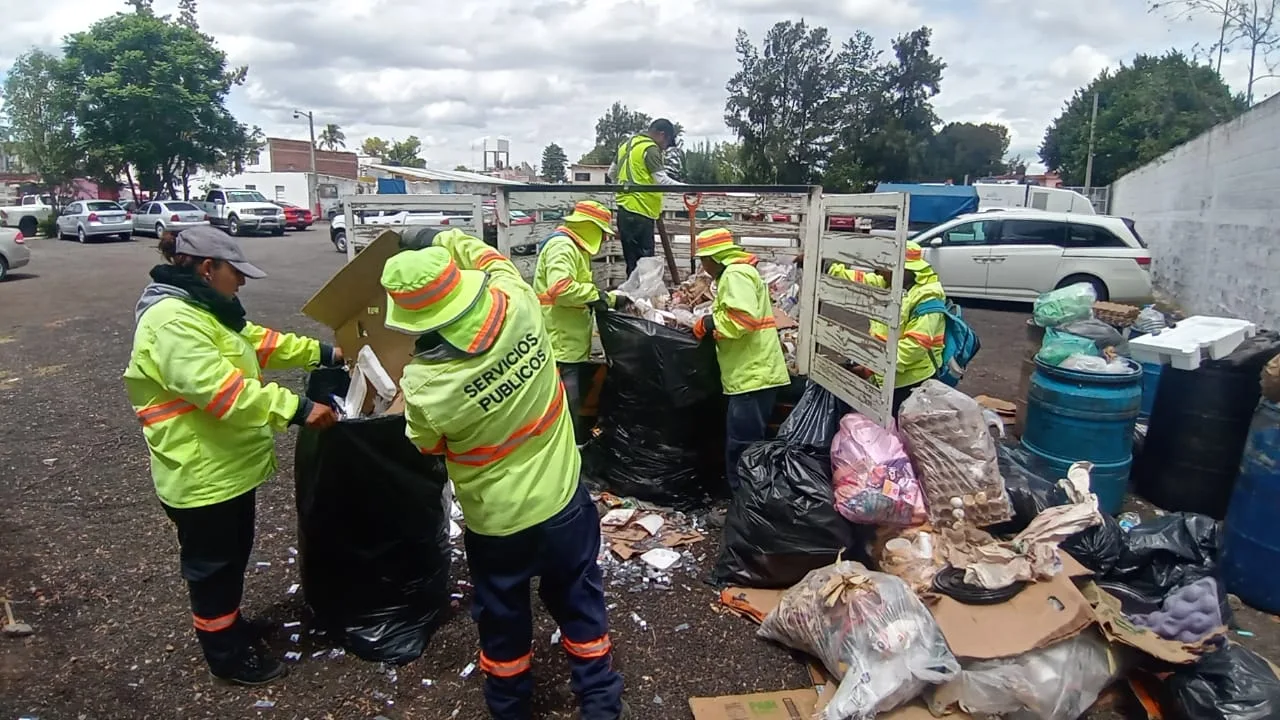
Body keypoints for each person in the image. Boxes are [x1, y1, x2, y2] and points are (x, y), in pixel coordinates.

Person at [383, 227, 626, 720]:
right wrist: (444, 235)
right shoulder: (518, 304)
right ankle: (600, 703)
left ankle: (510, 707)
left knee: (503, 619)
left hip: (496, 523)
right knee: (580, 599)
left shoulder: (423, 383)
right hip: (562, 503)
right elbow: (491, 257)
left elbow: (427, 445)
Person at [122, 225, 341, 685]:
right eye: (235, 272)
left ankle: (231, 625)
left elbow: (256, 342)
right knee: (213, 570)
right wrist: (298, 408)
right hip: (201, 473)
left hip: (225, 468)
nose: (240, 282)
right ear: (208, 268)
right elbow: (223, 393)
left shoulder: (204, 308)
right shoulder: (171, 322)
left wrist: (325, 352)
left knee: (232, 557)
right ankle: (226, 656)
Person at [690, 228, 791, 490]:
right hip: (751, 373)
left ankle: (743, 505)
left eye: (704, 260)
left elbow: (743, 320)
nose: (703, 267)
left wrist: (710, 322)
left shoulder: (735, 275)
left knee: (742, 447)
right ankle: (747, 503)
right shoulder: (738, 273)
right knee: (746, 444)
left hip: (753, 376)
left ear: (714, 258)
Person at [532, 200, 631, 441]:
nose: (604, 239)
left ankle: (570, 449)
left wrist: (598, 298)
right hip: (559, 341)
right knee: (565, 407)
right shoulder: (563, 247)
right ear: (589, 226)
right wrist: (601, 298)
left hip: (567, 340)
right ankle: (569, 453)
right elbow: (561, 288)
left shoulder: (572, 247)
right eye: (601, 232)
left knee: (569, 404)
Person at [828, 241, 947, 416]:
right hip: (887, 375)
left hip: (912, 382)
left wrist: (872, 366)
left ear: (904, 270)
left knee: (903, 431)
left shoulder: (928, 297)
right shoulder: (890, 284)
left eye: (884, 269)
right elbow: (856, 279)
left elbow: (913, 348)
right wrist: (826, 266)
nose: (880, 274)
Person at [607, 118, 680, 276]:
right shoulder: (650, 148)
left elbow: (611, 173)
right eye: (667, 143)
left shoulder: (625, 146)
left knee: (632, 264)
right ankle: (642, 299)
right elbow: (661, 180)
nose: (665, 148)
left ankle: (631, 299)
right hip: (641, 212)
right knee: (645, 265)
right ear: (662, 135)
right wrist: (688, 189)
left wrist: (627, 188)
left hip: (624, 211)